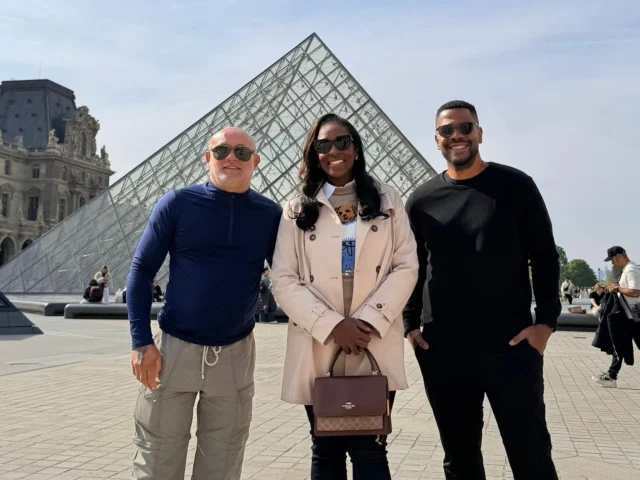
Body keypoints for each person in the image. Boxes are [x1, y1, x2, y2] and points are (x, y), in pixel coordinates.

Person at [403, 100, 560, 479]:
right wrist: (409, 324)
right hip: (442, 349)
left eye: (465, 127)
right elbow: (411, 267)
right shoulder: (420, 201)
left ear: (480, 133)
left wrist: (545, 324)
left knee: (531, 455)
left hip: (511, 345)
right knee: (459, 459)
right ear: (436, 139)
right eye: (447, 130)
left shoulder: (517, 186)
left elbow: (544, 255)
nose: (456, 136)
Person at [126, 127, 282, 480]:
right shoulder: (177, 203)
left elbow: (291, 277)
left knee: (223, 461)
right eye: (222, 150)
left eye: (242, 153)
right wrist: (141, 342)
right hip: (172, 349)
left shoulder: (271, 214)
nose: (232, 158)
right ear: (208, 158)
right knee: (156, 460)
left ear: (255, 162)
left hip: (236, 351)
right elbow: (140, 271)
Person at [272, 113, 419, 480]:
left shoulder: (388, 200)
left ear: (356, 149)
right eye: (323, 144)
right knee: (325, 447)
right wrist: (333, 325)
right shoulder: (296, 208)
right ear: (313, 153)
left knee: (371, 447)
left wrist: (368, 320)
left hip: (372, 337)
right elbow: (284, 279)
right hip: (320, 339)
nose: (334, 151)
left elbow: (406, 266)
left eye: (343, 142)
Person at [592, 246, 640, 387]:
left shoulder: (631, 270)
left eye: (612, 260)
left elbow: (636, 291)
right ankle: (611, 376)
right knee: (619, 345)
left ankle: (611, 376)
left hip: (636, 318)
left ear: (618, 256)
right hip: (628, 317)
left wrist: (618, 288)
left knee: (620, 344)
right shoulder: (626, 270)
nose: (612, 264)